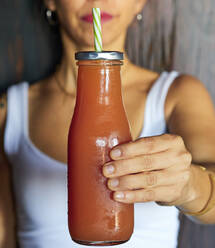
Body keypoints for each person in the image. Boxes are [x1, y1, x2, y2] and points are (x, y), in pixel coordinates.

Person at [1, 0, 215, 247]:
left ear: (139, 3)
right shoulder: (9, 111)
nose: (97, 0)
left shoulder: (175, 95)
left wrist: (189, 185)